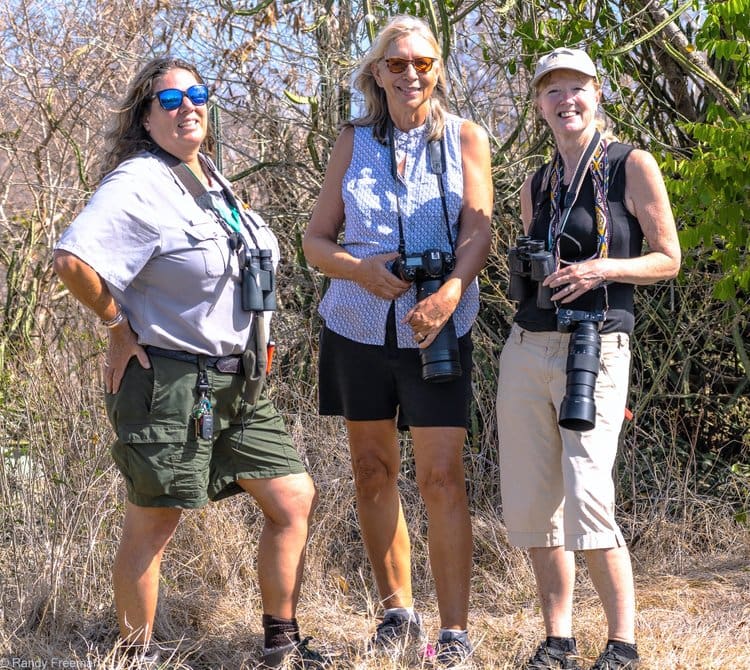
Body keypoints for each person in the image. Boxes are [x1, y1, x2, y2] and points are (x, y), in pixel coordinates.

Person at [53, 56, 328, 669]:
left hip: (240, 380)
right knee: (155, 522)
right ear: (145, 118)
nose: (188, 107)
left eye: (197, 94)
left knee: (292, 497)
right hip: (170, 382)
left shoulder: (210, 182)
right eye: (170, 100)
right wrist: (117, 327)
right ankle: (134, 655)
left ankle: (281, 646)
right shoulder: (140, 181)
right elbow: (73, 261)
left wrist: (259, 338)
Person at [303, 14, 492, 669]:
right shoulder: (351, 140)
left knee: (442, 478)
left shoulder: (466, 137)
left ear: (437, 68)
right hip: (358, 325)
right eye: (397, 63)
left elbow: (479, 230)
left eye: (422, 62)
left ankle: (455, 633)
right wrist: (361, 271)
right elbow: (316, 240)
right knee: (372, 471)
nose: (411, 73)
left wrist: (448, 294)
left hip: (442, 326)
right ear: (376, 73)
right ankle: (396, 614)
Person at [496, 47, 681, 670]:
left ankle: (622, 642)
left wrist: (604, 267)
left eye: (576, 88)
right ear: (539, 104)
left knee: (587, 491)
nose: (565, 100)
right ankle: (558, 640)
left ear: (597, 93)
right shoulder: (536, 184)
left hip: (597, 344)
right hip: (528, 346)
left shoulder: (632, 164)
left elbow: (668, 258)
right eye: (552, 91)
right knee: (534, 500)